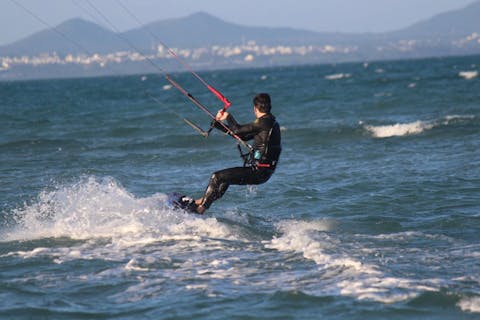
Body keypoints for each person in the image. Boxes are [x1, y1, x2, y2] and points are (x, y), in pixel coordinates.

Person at [190, 93, 282, 214]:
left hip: (258, 171)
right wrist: (219, 126)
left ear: (255, 108)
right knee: (224, 180)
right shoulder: (270, 122)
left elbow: (237, 130)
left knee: (216, 177)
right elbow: (242, 136)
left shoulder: (263, 123)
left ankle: (200, 209)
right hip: (263, 172)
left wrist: (228, 116)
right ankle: (200, 202)